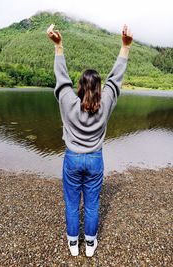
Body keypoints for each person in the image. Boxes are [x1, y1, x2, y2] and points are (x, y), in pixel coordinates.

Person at [47, 23, 133, 257]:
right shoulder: (105, 103)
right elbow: (115, 79)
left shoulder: (68, 101)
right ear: (98, 88)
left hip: (72, 159)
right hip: (95, 159)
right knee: (93, 204)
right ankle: (91, 244)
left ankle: (74, 244)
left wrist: (59, 46)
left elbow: (61, 78)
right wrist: (124, 48)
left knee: (73, 204)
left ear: (80, 86)